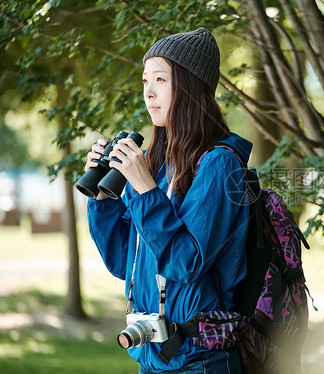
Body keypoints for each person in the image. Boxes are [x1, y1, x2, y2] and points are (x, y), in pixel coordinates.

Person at [85, 28, 252, 374]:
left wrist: (147, 192)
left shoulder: (220, 165)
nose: (149, 92)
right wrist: (103, 201)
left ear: (191, 87)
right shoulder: (157, 164)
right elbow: (124, 263)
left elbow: (185, 264)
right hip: (154, 358)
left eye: (160, 79)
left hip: (200, 362)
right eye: (145, 80)